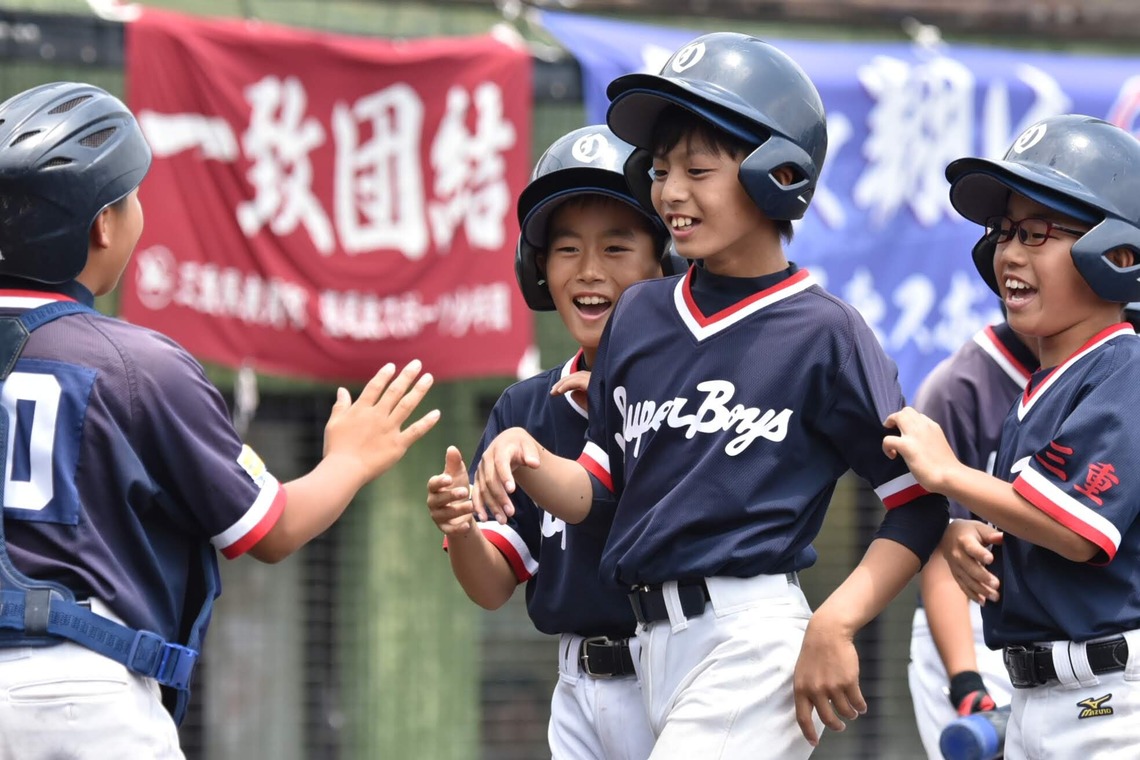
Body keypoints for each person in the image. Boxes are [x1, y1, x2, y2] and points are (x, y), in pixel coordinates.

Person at [471, 33, 949, 758]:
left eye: (698, 169)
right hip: (652, 651)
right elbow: (600, 491)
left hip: (750, 638)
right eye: (661, 170)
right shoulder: (642, 313)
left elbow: (917, 506)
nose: (670, 192)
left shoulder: (824, 331)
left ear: (777, 172)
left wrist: (837, 621)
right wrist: (524, 454)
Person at [0, 82, 440, 759]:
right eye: (130, 195)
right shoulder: (136, 365)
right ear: (102, 226)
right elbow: (270, 529)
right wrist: (352, 459)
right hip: (82, 697)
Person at [884, 114, 1140, 759]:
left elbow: (1080, 533)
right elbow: (1043, 519)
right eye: (1003, 234)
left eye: (1036, 234)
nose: (1009, 254)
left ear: (1118, 255)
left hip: (1112, 702)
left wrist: (948, 475)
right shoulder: (1048, 382)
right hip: (1039, 697)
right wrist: (973, 533)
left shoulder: (1127, 366)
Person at [426, 125, 673, 760]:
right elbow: (490, 585)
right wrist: (461, 530)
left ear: (663, 262)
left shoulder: (691, 396)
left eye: (617, 247)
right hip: (578, 687)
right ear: (538, 268)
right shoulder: (527, 407)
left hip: (678, 675)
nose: (588, 271)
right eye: (566, 249)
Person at [907, 316, 1036, 757]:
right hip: (974, 626)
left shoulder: (1111, 370)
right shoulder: (957, 387)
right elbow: (941, 548)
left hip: (1080, 625)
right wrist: (965, 682)